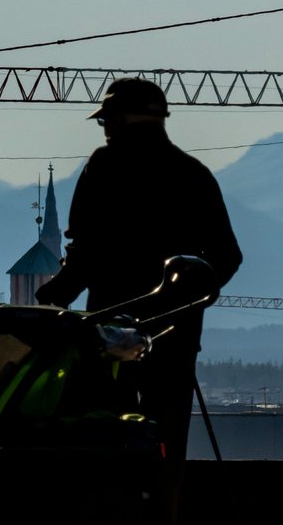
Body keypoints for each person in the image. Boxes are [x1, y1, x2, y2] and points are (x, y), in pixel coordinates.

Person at [35, 77, 242, 462]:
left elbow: (86, 253)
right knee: (168, 441)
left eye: (106, 121)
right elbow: (227, 257)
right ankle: (166, 511)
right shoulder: (193, 174)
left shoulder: (104, 167)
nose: (105, 130)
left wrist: (53, 298)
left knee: (104, 435)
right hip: (175, 337)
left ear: (120, 119)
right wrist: (185, 303)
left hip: (109, 337)